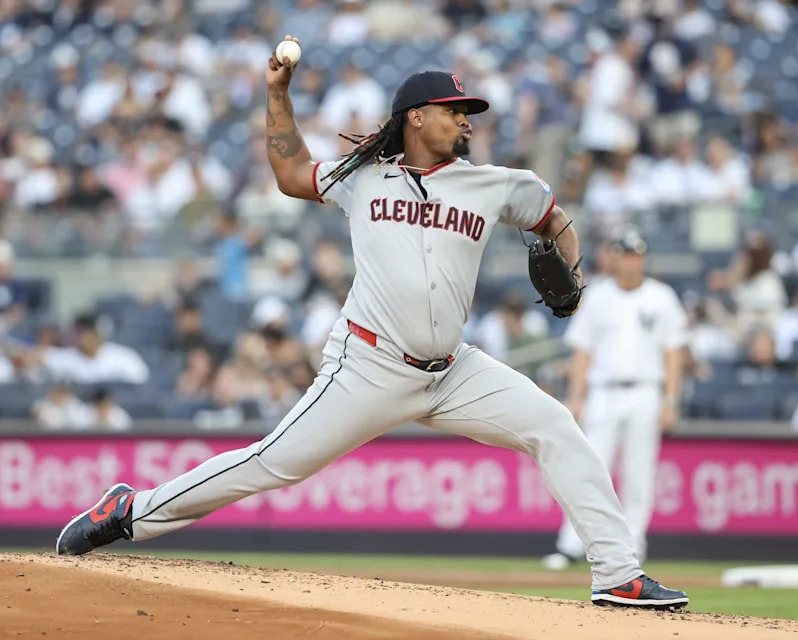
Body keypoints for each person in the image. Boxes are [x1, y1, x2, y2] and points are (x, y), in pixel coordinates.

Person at [55, 42, 687, 611]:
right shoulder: (363, 176)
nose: (467, 119)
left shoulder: (495, 185)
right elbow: (289, 173)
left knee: (556, 427)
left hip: (453, 370)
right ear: (416, 116)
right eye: (453, 108)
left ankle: (618, 574)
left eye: (469, 110)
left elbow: (555, 220)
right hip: (367, 364)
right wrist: (277, 96)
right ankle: (129, 511)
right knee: (274, 462)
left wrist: (570, 272)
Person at [542, 227, 687, 569]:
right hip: (603, 393)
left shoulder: (662, 297)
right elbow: (582, 353)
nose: (631, 261)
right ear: (614, 257)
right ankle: (572, 543)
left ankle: (633, 545)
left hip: (645, 392)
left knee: (639, 475)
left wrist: (670, 400)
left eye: (637, 255)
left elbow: (674, 353)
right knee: (589, 469)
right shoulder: (599, 296)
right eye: (625, 254)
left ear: (644, 258)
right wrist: (576, 398)